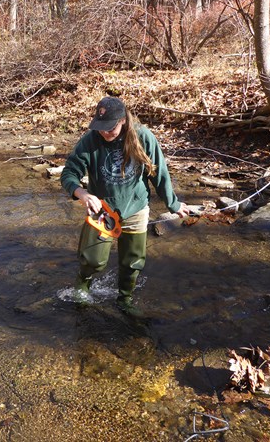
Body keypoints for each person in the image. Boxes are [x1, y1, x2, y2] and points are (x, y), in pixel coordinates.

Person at [60, 96, 190, 316]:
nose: (104, 133)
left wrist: (173, 204)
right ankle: (81, 291)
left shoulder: (143, 137)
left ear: (123, 121)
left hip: (136, 208)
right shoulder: (90, 141)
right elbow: (69, 173)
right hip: (103, 211)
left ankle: (125, 300)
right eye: (100, 128)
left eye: (109, 128)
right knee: (93, 260)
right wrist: (81, 193)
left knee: (132, 263)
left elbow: (159, 174)